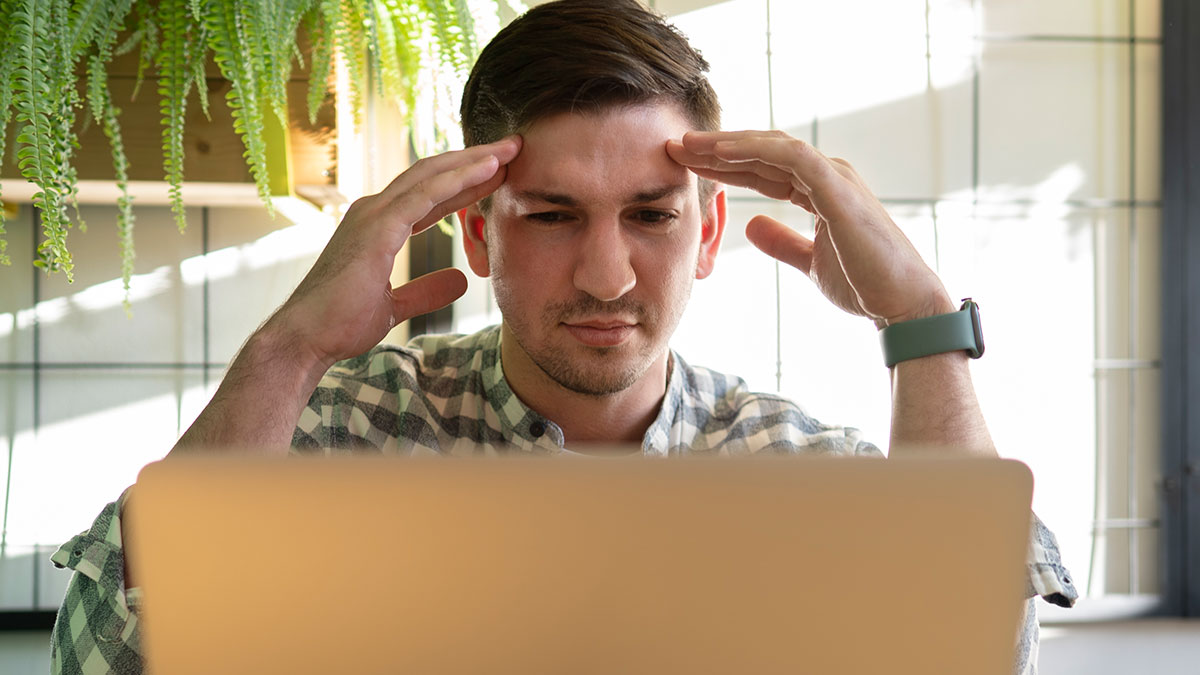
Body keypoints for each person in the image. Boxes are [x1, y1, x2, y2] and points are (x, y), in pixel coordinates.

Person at [49, 1, 1076, 673]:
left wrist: (921, 323)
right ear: (477, 233)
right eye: (551, 215)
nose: (606, 275)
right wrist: (287, 352)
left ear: (708, 231)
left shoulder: (799, 465)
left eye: (651, 214)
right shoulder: (331, 435)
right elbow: (108, 659)